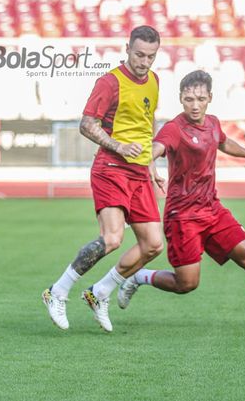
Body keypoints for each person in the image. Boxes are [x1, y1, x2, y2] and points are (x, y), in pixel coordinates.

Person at [117, 70, 245, 330]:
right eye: (189, 99)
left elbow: (224, 143)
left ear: (210, 99)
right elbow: (154, 149)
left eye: (200, 99)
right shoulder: (173, 129)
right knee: (187, 284)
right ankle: (140, 277)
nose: (195, 105)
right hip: (182, 216)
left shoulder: (213, 123)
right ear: (181, 99)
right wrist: (152, 168)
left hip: (212, 209)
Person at [43, 25, 164, 332]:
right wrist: (119, 145)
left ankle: (100, 292)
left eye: (150, 56)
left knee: (153, 245)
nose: (144, 61)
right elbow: (86, 124)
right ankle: (56, 291)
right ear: (127, 49)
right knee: (112, 238)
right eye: (139, 54)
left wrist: (152, 167)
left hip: (139, 173)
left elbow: (145, 125)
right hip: (111, 168)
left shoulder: (154, 81)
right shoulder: (110, 82)